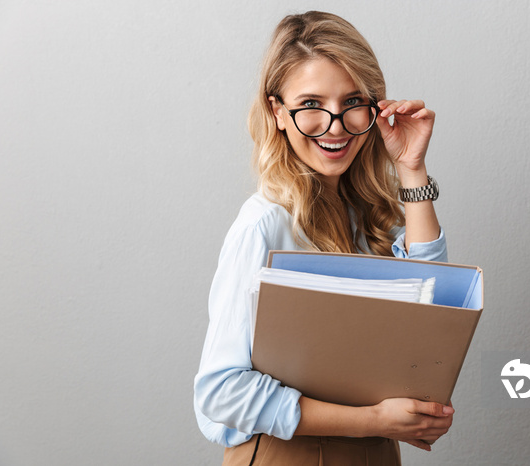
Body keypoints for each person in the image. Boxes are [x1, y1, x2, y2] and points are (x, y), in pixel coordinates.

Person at [194, 10, 453, 465]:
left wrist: (411, 168)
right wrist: (376, 420)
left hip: (377, 453)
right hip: (287, 453)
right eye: (311, 105)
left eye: (352, 102)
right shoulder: (264, 227)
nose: (334, 125)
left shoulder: (368, 218)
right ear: (277, 112)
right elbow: (221, 392)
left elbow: (433, 313)